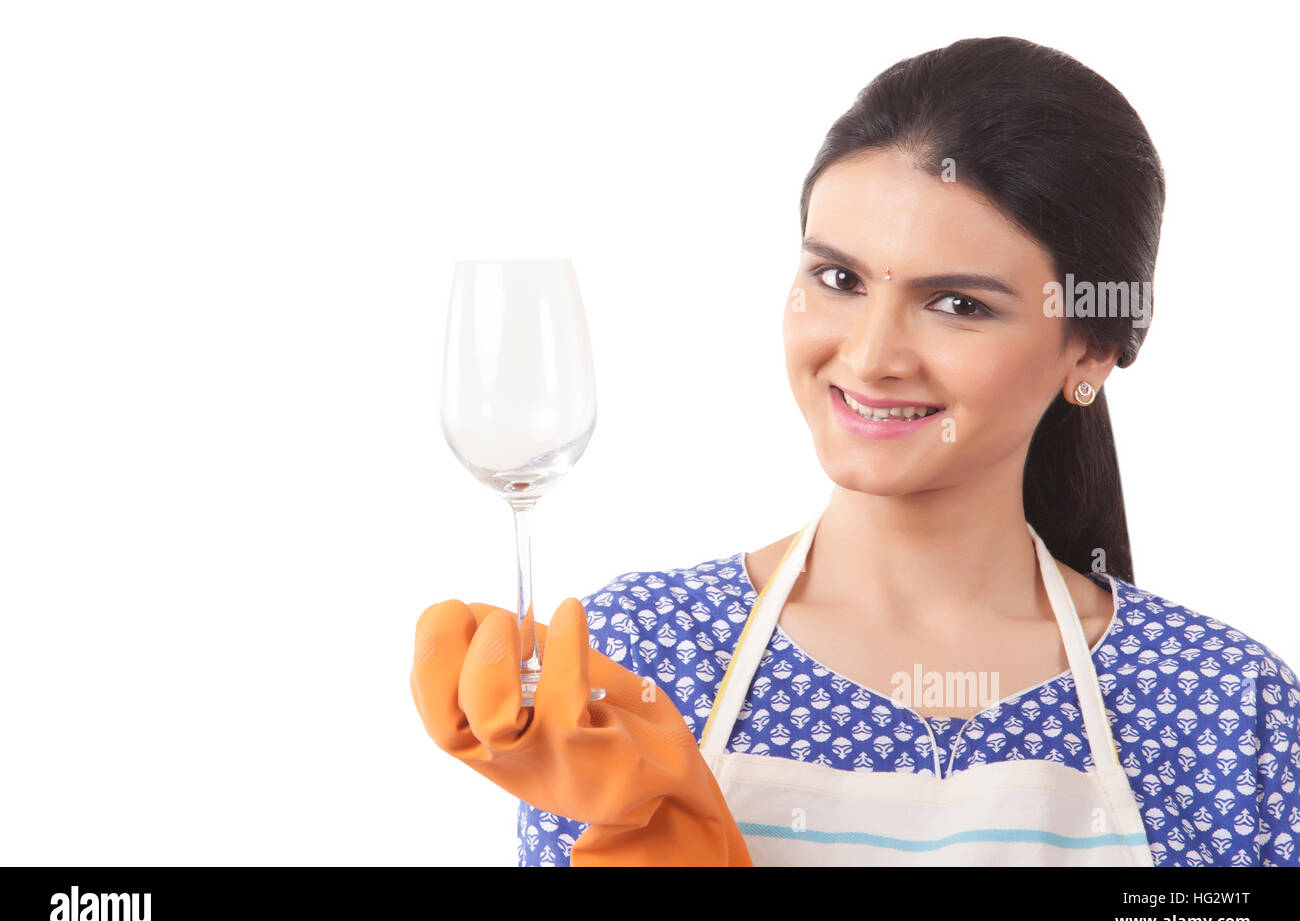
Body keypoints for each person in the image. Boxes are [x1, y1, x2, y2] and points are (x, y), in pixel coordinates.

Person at [438, 35, 1300, 866]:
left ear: (1090, 352)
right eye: (839, 280)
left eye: (959, 303)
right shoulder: (638, 657)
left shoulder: (1224, 707)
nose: (868, 357)